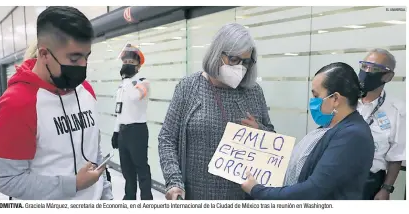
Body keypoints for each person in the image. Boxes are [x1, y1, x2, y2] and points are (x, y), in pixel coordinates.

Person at [0, 6, 113, 200]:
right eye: (74, 59)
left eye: (86, 57)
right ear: (44, 55)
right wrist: (73, 184)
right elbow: (8, 179)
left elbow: (94, 153)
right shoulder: (16, 104)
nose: (83, 67)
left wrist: (106, 197)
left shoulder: (86, 91)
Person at [158, 23, 275, 200]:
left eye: (246, 62)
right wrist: (174, 182)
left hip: (241, 198)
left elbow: (272, 139)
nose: (240, 67)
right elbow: (167, 138)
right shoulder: (189, 87)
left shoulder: (253, 92)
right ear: (217, 54)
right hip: (197, 195)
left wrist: (260, 132)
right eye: (234, 60)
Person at [241, 62, 375, 200]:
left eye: (316, 96)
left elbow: (314, 190)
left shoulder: (353, 136)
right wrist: (260, 136)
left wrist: (258, 190)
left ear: (335, 99)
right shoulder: (330, 127)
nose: (313, 102)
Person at [357, 49, 406, 200]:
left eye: (373, 68)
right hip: (337, 176)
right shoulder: (347, 100)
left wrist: (386, 189)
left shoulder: (398, 109)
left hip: (369, 182)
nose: (366, 71)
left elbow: (396, 155)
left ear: (388, 76)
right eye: (364, 66)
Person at [111, 44, 152, 200]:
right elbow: (119, 111)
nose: (127, 64)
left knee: (141, 168)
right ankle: (129, 199)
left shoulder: (143, 82)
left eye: (131, 62)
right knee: (127, 170)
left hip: (137, 131)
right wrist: (116, 131)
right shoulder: (122, 86)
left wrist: (127, 80)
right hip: (123, 131)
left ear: (138, 66)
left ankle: (147, 200)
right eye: (125, 61)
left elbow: (135, 97)